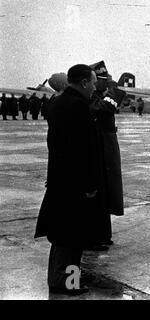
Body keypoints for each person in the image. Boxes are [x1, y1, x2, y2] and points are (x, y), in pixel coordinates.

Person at [35, 64, 105, 295]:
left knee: (61, 236)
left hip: (59, 177)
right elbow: (83, 150)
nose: (94, 87)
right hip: (75, 182)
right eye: (93, 82)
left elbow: (54, 143)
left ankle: (56, 279)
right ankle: (69, 283)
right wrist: (90, 184)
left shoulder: (57, 103)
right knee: (74, 237)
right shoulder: (78, 107)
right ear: (84, 82)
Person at [88, 61, 125, 250]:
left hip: (106, 147)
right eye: (104, 80)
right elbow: (106, 108)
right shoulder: (92, 98)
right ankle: (95, 237)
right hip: (99, 149)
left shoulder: (98, 96)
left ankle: (103, 235)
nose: (107, 83)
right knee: (98, 193)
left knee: (106, 193)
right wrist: (113, 90)